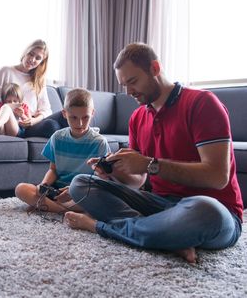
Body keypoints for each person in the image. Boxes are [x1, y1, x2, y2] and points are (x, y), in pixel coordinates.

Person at [64, 43, 243, 263]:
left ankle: (101, 227)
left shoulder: (202, 103)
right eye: (124, 85)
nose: (128, 92)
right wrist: (115, 172)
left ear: (155, 68)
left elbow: (217, 176)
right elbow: (138, 182)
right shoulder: (138, 118)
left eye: (133, 81)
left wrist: (150, 164)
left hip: (211, 210)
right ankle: (165, 236)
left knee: (207, 211)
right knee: (81, 184)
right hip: (157, 205)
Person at [15, 88, 110, 213]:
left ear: (92, 113)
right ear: (64, 114)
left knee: (101, 198)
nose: (80, 123)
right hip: (57, 191)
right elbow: (53, 170)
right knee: (21, 189)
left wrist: (72, 190)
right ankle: (63, 210)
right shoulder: (57, 137)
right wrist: (44, 185)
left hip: (81, 192)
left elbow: (103, 179)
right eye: (73, 118)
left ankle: (48, 206)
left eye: (85, 117)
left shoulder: (99, 142)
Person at [0, 39, 59, 138]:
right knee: (6, 109)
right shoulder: (6, 71)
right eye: (31, 54)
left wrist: (33, 121)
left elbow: (46, 110)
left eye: (38, 58)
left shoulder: (39, 80)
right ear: (26, 52)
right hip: (7, 119)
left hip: (29, 124)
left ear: (41, 62)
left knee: (53, 125)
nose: (32, 59)